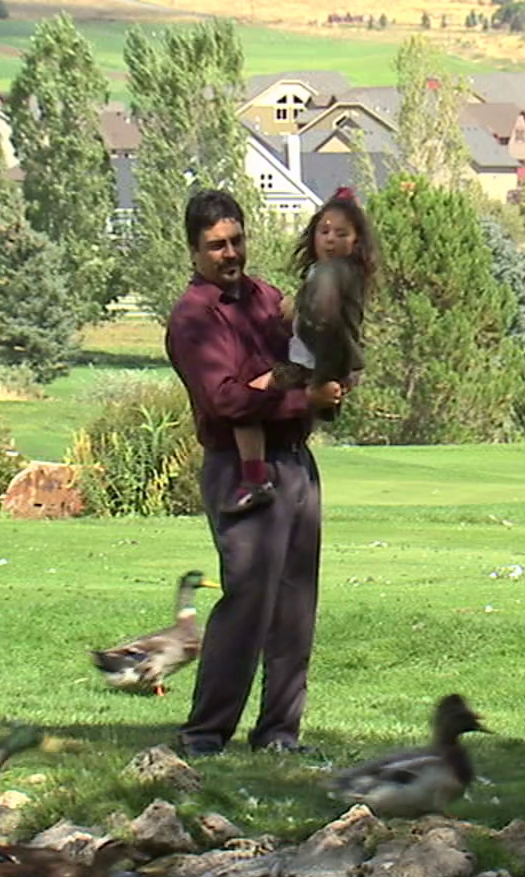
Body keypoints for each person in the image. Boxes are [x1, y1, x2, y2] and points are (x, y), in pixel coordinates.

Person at [165, 189, 347, 756]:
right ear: (194, 251)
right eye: (216, 245)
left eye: (236, 240)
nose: (230, 253)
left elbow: (304, 357)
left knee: (295, 609)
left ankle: (279, 735)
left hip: (296, 462)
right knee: (247, 604)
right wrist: (302, 398)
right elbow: (225, 400)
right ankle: (205, 734)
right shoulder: (193, 318)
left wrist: (330, 378)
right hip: (240, 468)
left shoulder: (267, 297)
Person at [221, 187, 377, 515]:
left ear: (356, 241)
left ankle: (254, 479)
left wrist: (296, 312)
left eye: (341, 234)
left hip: (310, 365)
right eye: (324, 231)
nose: (330, 240)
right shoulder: (348, 274)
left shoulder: (330, 272)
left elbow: (323, 317)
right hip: (329, 364)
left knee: (245, 403)